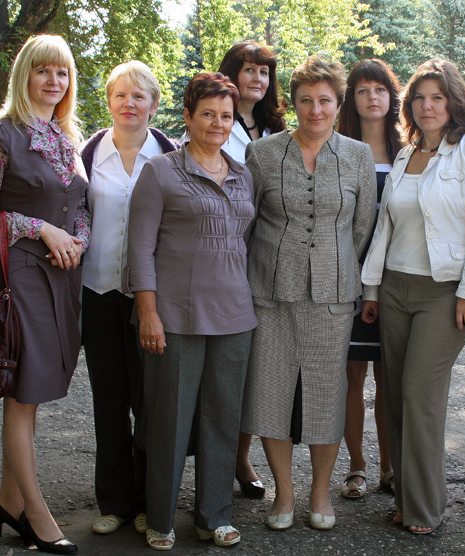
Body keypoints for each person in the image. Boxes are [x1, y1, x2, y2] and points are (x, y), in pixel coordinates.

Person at [360, 58, 465, 534]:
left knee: (419, 394)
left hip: (445, 292)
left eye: (437, 97)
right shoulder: (406, 155)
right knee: (396, 396)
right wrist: (372, 288)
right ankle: (408, 497)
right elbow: (387, 228)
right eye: (419, 98)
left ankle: (425, 508)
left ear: (453, 102)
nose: (427, 106)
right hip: (394, 288)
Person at [0, 34, 87, 555]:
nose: (53, 81)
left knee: (32, 395)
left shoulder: (67, 136)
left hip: (62, 275)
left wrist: (77, 239)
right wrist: (41, 229)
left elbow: (79, 206)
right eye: (43, 71)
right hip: (19, 276)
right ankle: (37, 516)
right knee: (23, 394)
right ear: (24, 75)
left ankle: (8, 502)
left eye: (62, 72)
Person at [241, 55, 377, 531]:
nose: (315, 110)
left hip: (333, 294)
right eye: (305, 101)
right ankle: (284, 491)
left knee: (325, 393)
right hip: (269, 291)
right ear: (292, 103)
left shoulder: (358, 156)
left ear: (338, 103)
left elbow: (362, 228)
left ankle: (320, 491)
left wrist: (336, 268)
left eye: (324, 100)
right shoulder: (262, 154)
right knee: (270, 390)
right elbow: (247, 221)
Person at [126, 72, 255, 550]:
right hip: (174, 318)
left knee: (222, 421)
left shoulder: (243, 174)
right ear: (187, 116)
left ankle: (213, 516)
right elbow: (139, 249)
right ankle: (159, 518)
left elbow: (244, 243)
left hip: (234, 317)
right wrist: (148, 313)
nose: (217, 123)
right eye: (207, 114)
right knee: (169, 421)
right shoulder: (160, 172)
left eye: (226, 116)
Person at [79, 61, 178, 537]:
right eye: (120, 95)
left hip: (150, 299)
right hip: (98, 293)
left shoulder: (171, 156)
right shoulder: (86, 155)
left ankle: (146, 502)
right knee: (109, 402)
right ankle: (114, 502)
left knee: (150, 403)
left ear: (154, 105)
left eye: (139, 96)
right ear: (109, 101)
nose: (129, 104)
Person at [215, 41, 286, 499]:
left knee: (257, 366)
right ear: (233, 74)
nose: (257, 79)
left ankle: (242, 456)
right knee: (230, 367)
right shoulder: (218, 121)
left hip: (269, 255)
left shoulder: (276, 128)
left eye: (264, 71)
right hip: (225, 253)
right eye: (249, 70)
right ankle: (225, 461)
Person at [336, 59, 402, 499]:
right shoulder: (339, 150)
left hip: (395, 278)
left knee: (390, 378)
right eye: (362, 90)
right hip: (349, 276)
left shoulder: (409, 151)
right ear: (352, 99)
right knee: (352, 375)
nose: (372, 98)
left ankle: (390, 467)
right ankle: (357, 467)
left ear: (391, 97)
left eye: (379, 89)